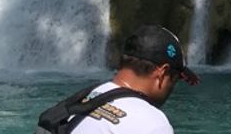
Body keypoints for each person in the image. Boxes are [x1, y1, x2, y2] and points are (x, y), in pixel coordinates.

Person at [35, 25, 198, 134]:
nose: (172, 87)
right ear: (162, 73)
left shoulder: (86, 98)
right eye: (175, 80)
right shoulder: (151, 123)